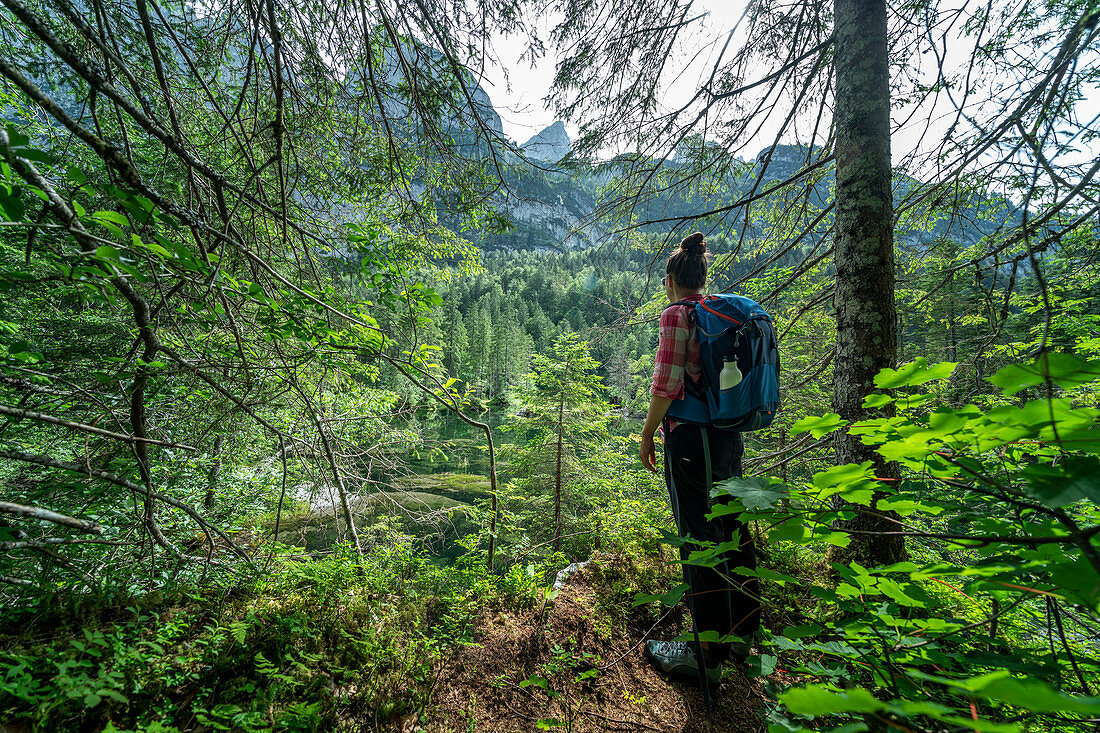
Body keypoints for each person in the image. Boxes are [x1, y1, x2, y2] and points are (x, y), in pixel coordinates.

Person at [639, 231, 761, 685]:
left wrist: (648, 434)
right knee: (732, 524)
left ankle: (706, 654)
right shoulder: (717, 313)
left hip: (691, 442)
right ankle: (744, 630)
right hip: (727, 438)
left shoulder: (676, 315)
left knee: (699, 536)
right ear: (703, 278)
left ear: (671, 280)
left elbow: (666, 385)